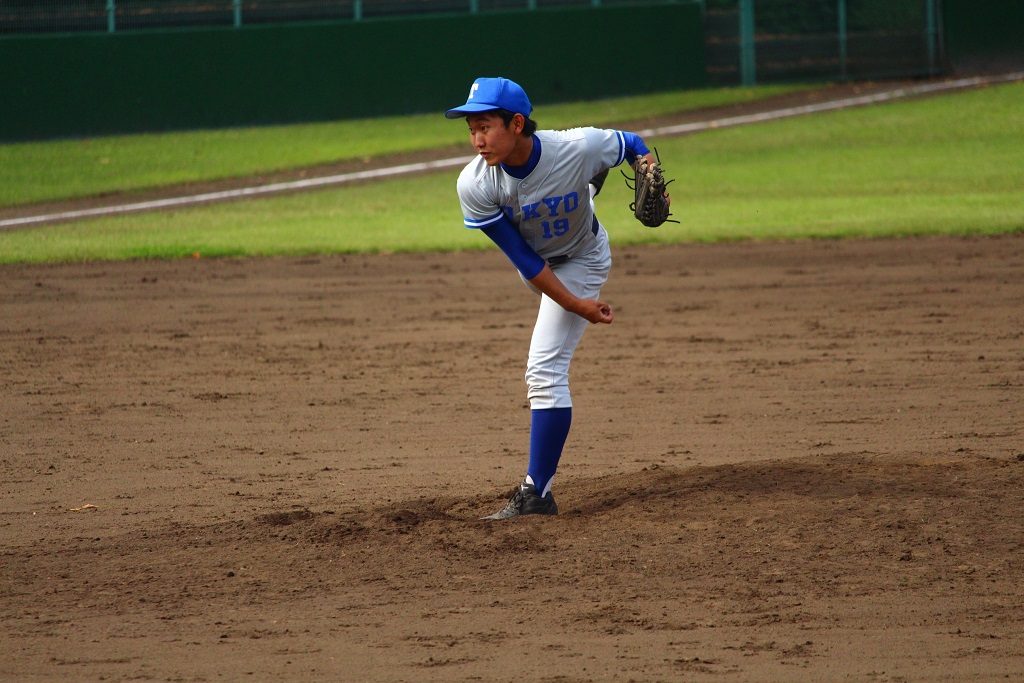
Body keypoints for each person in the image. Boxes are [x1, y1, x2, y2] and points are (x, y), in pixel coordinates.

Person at [444, 76, 667, 520]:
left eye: (485, 127)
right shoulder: (474, 185)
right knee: (560, 208)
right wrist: (575, 305)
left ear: (517, 124)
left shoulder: (575, 146)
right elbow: (525, 261)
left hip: (583, 257)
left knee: (544, 370)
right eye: (471, 129)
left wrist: (645, 166)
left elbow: (632, 143)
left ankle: (537, 494)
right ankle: (587, 187)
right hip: (540, 265)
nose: (477, 140)